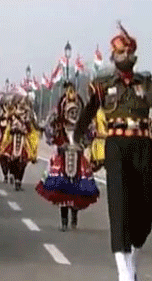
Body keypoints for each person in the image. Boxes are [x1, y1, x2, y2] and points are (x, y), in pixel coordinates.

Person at [74, 25, 152, 281]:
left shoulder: (146, 83)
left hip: (143, 145)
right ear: (113, 56)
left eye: (128, 51)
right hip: (116, 146)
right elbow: (89, 111)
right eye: (119, 52)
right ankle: (124, 272)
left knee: (145, 210)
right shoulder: (102, 85)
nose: (124, 56)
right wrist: (77, 136)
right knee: (119, 206)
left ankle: (133, 259)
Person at [36, 81, 99, 231]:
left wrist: (83, 144)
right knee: (61, 190)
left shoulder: (83, 126)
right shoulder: (58, 124)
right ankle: (64, 221)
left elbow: (90, 136)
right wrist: (60, 145)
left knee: (77, 189)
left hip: (78, 159)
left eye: (76, 112)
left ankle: (74, 219)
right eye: (70, 112)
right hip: (62, 159)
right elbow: (50, 134)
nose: (74, 115)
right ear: (64, 111)